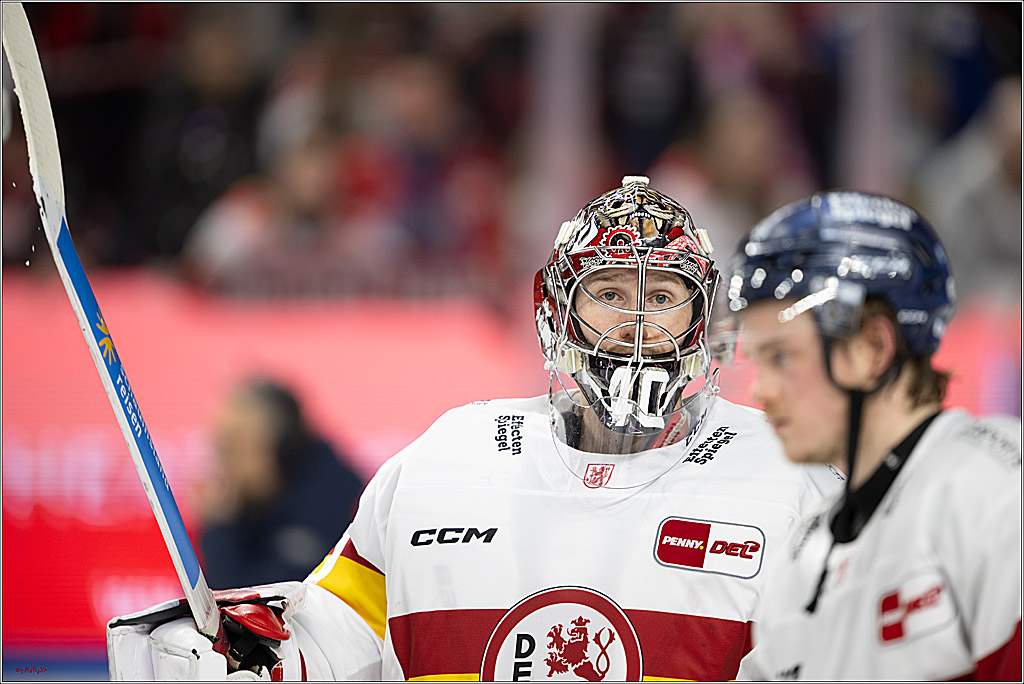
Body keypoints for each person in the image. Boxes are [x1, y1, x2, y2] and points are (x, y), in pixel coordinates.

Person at [106, 177, 842, 681]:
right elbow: (339, 630)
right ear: (556, 314)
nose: (638, 321)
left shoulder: (795, 483)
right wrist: (245, 654)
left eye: (666, 295)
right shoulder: (447, 460)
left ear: (704, 319)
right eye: (611, 292)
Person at [725, 191, 1022, 680]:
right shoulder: (808, 543)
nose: (761, 390)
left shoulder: (1000, 493)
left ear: (872, 347)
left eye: (781, 356)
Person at [198, 379, 365, 589]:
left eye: (235, 445)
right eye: (220, 446)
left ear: (281, 449)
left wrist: (219, 525)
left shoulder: (330, 501)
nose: (223, 463)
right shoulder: (250, 499)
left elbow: (247, 600)